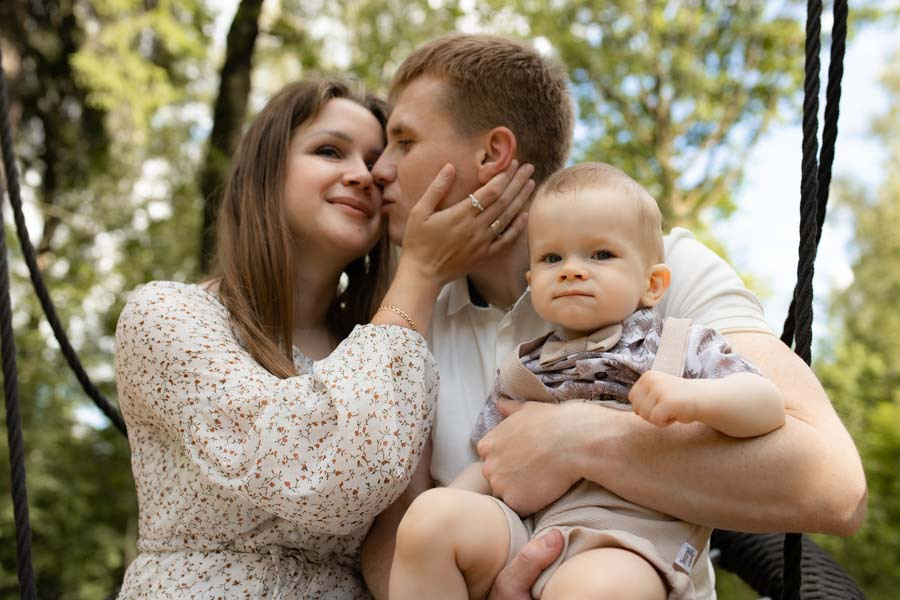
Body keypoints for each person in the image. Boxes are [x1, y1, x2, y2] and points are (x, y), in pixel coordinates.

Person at [361, 33, 867, 600]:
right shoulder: (412, 313)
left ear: (492, 154)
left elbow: (834, 485)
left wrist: (578, 438)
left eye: (403, 140)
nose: (377, 169)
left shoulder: (662, 268)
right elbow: (389, 528)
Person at [113, 78, 534, 598]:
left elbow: (405, 527)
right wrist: (421, 272)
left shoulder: (392, 345)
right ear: (264, 173)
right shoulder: (170, 317)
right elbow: (323, 473)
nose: (363, 176)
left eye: (376, 160)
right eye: (330, 151)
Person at [389, 162, 786, 600]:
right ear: (533, 281)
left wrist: (692, 398)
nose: (571, 270)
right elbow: (491, 462)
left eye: (600, 255)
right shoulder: (524, 367)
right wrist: (440, 510)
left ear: (653, 283)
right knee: (429, 521)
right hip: (529, 531)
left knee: (589, 589)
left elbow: (765, 402)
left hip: (630, 540)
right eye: (552, 258)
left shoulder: (677, 345)